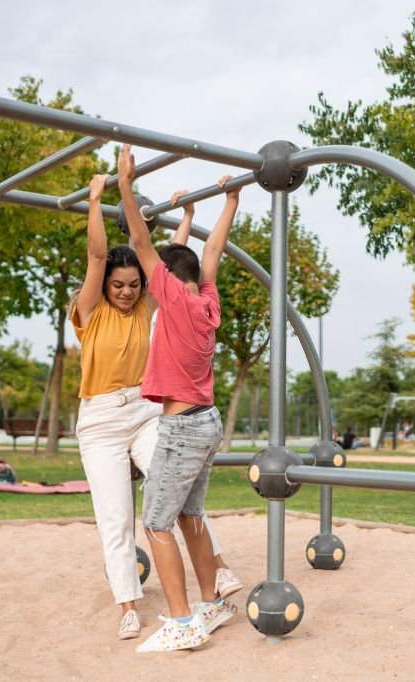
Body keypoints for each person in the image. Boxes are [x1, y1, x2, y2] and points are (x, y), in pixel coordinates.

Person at [71, 170, 240, 644]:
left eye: (134, 285)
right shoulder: (94, 310)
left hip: (157, 416)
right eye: (118, 285)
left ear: (151, 286)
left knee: (165, 516)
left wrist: (120, 188)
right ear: (106, 286)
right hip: (106, 418)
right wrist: (199, 211)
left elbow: (159, 259)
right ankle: (132, 604)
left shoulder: (156, 304)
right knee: (119, 514)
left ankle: (193, 610)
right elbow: (192, 259)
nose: (127, 290)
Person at [119, 145, 240, 653]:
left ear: (166, 281)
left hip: (182, 426)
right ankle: (212, 603)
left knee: (156, 523)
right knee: (191, 516)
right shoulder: (205, 300)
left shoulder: (170, 300)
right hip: (207, 421)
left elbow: (143, 242)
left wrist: (126, 187)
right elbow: (206, 254)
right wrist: (221, 204)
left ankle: (181, 620)